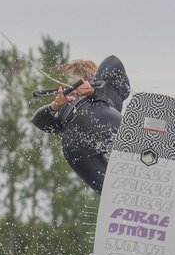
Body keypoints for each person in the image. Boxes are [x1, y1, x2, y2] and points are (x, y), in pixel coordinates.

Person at [31, 56, 130, 194]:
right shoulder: (108, 88)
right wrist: (56, 105)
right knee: (143, 153)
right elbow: (114, 60)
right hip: (95, 121)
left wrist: (94, 89)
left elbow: (38, 121)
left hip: (74, 143)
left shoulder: (103, 87)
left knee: (112, 192)